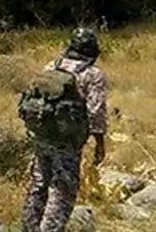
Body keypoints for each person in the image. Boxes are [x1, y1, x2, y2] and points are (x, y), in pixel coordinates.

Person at [21, 27, 109, 232]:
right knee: (62, 189)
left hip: (42, 136)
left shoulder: (52, 66)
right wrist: (99, 143)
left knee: (38, 185)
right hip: (68, 142)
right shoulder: (93, 74)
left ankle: (29, 227)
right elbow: (96, 111)